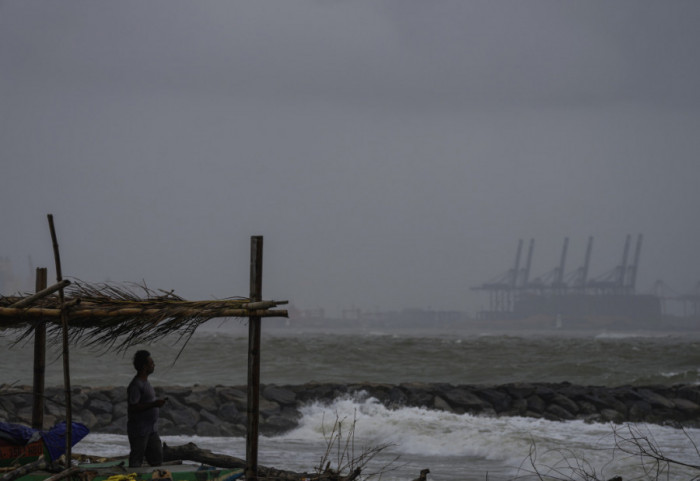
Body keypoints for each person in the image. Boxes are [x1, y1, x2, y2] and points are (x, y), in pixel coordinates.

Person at [127, 350, 166, 467]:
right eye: (151, 363)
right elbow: (133, 407)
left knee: (157, 458)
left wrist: (155, 403)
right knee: (136, 459)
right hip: (139, 430)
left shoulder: (146, 382)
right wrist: (154, 405)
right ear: (145, 367)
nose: (154, 365)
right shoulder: (136, 385)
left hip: (151, 429)